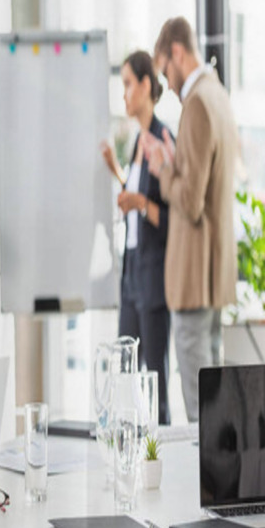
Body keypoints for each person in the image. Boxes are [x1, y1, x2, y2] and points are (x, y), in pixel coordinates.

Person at [142, 17, 238, 423]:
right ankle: (220, 483)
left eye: (165, 69)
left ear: (177, 53)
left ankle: (211, 486)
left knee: (200, 410)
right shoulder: (218, 95)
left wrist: (163, 167)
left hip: (194, 278)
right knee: (214, 403)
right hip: (214, 276)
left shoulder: (196, 103)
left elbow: (191, 201)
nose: (167, 82)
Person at [100, 51, 174, 425]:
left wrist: (141, 202)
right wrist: (116, 170)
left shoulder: (162, 139)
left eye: (128, 84)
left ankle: (163, 468)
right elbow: (135, 197)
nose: (125, 94)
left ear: (146, 86)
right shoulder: (137, 142)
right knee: (125, 379)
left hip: (153, 281)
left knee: (155, 385)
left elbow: (170, 216)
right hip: (132, 278)